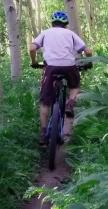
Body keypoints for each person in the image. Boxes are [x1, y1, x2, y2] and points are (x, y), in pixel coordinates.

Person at [29, 11, 93, 145]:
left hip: (50, 67)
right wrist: (88, 63)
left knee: (45, 102)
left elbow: (32, 48)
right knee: (74, 86)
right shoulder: (70, 34)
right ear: (66, 24)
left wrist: (35, 62)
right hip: (68, 66)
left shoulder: (45, 33)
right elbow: (88, 52)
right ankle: (69, 104)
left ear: (52, 23)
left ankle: (43, 132)